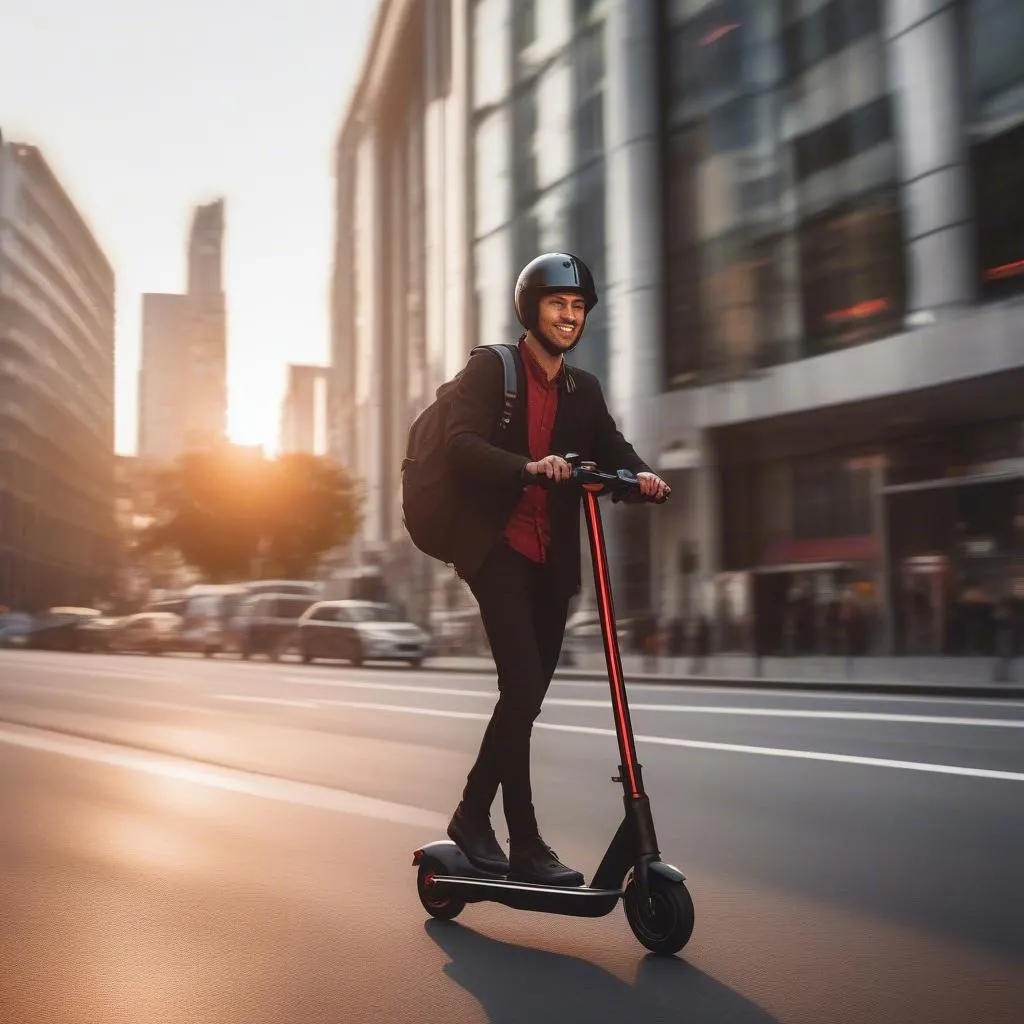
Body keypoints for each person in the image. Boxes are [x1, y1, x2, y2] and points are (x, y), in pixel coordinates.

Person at [442, 252, 670, 886]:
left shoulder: (583, 389)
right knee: (521, 688)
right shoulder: (494, 369)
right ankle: (523, 839)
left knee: (527, 698)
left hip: (554, 560)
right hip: (497, 550)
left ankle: (471, 817)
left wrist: (641, 476)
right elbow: (460, 445)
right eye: (558, 305)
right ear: (530, 309)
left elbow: (612, 448)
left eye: (578, 308)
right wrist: (527, 467)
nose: (570, 317)